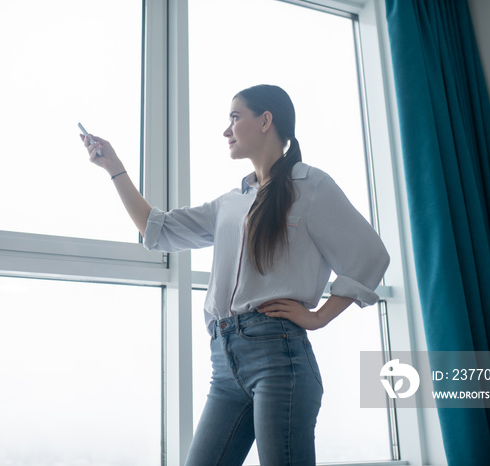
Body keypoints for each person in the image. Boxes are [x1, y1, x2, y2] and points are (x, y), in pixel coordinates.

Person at [81, 84, 390, 466]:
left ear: (265, 121)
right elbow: (155, 227)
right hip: (224, 362)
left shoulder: (311, 186)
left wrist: (319, 316)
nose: (226, 130)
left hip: (279, 358)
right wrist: (114, 167)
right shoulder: (230, 203)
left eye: (234, 117)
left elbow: (369, 255)